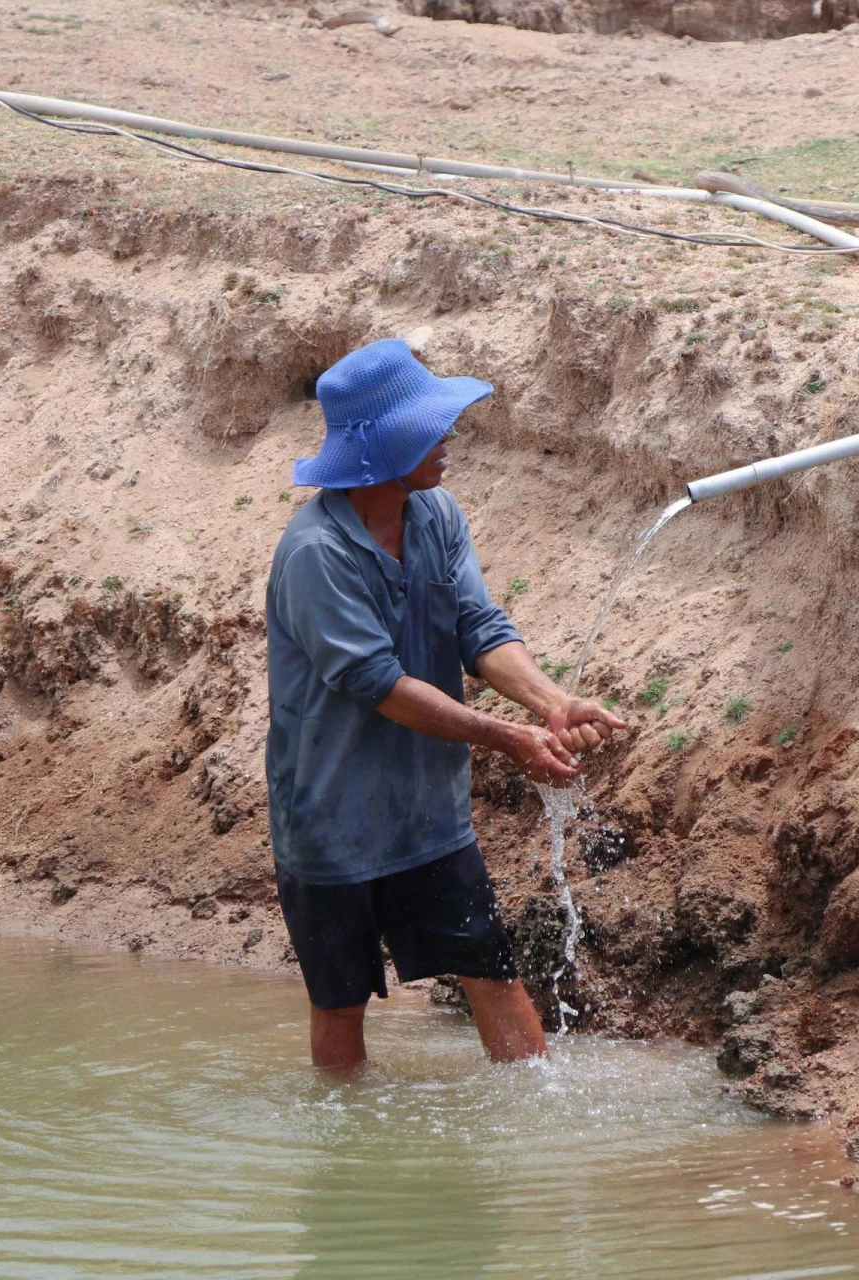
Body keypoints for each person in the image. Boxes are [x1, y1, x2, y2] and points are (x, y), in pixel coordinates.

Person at [264, 338, 625, 1070]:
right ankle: (350, 1154)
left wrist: (552, 704)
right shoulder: (315, 555)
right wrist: (510, 738)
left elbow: (479, 629)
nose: (449, 437)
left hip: (428, 817)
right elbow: (380, 686)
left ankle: (531, 1109)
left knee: (491, 969)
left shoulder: (437, 516)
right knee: (340, 1001)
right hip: (330, 826)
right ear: (380, 445)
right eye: (431, 425)